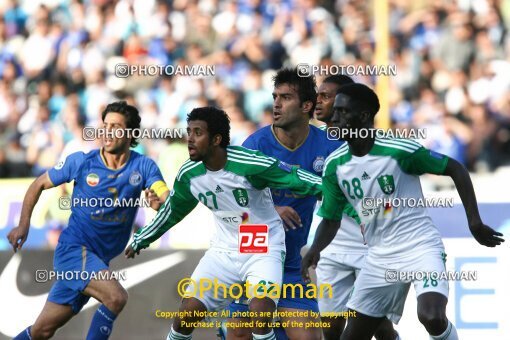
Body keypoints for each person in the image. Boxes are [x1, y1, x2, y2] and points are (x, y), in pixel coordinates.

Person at [302, 83, 504, 340]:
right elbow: (330, 220)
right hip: (378, 258)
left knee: (431, 316)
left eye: (342, 112)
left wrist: (474, 222)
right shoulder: (335, 166)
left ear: (363, 116)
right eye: (335, 112)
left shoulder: (399, 150)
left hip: (419, 247)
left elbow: (455, 168)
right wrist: (316, 249)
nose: (334, 117)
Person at [125, 106, 323, 340]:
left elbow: (296, 176)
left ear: (216, 139)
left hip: (263, 249)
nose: (190, 138)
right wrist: (141, 238)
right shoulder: (189, 174)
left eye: (197, 133)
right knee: (184, 320)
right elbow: (171, 212)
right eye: (189, 131)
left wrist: (336, 191)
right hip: (223, 251)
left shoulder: (249, 163)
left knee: (260, 319)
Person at [8, 101, 170, 340]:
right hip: (74, 252)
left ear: (131, 133)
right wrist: (24, 224)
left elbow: (166, 199)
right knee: (116, 297)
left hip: (96, 260)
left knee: (42, 331)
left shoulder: (143, 166)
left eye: (115, 126)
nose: (107, 131)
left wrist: (159, 205)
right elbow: (38, 183)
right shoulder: (82, 162)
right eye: (105, 125)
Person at [225, 68, 340, 340]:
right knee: (241, 334)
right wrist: (270, 209)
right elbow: (228, 202)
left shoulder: (327, 147)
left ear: (306, 106)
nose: (276, 104)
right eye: (275, 96)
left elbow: (341, 194)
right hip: (251, 258)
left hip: (291, 263)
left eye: (285, 98)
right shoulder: (256, 145)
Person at [312, 75, 399, 340]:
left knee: (378, 325)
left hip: (371, 246)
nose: (320, 102)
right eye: (320, 95)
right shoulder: (312, 139)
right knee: (331, 327)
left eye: (328, 97)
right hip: (334, 246)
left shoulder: (366, 144)